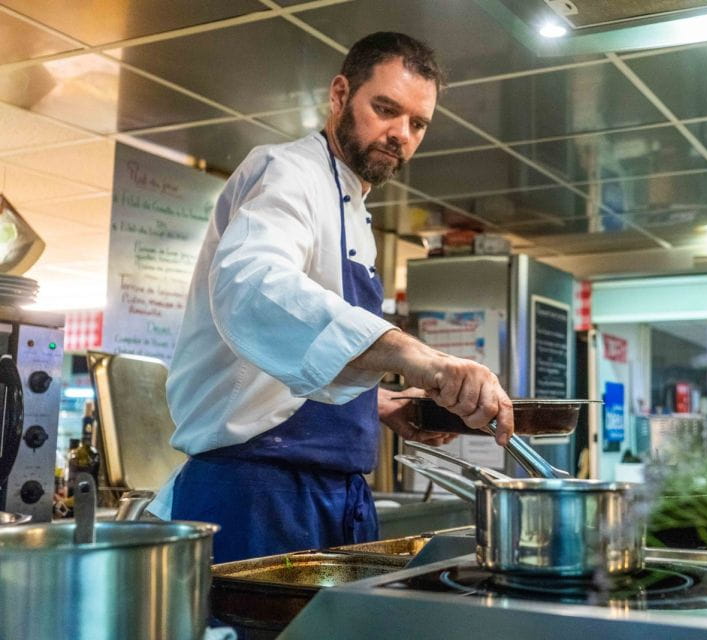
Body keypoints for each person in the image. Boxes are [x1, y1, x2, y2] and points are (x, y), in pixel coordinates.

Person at [149, 32, 514, 563]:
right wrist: (421, 360)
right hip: (258, 490)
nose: (400, 135)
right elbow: (255, 285)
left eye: (417, 123)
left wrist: (377, 404)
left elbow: (288, 373)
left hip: (332, 491)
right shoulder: (287, 171)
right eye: (385, 109)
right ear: (340, 95)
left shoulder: (356, 210)